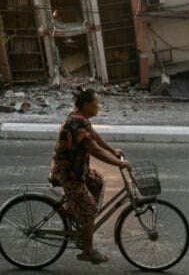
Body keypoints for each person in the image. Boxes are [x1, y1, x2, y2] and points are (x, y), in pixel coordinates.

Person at [50, 87, 131, 265]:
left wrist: (113, 150)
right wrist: (119, 163)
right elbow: (94, 149)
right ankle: (88, 250)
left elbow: (95, 137)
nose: (98, 107)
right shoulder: (77, 123)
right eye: (96, 104)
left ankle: (77, 214)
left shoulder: (82, 119)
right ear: (86, 105)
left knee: (98, 182)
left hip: (79, 171)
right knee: (90, 208)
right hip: (69, 174)